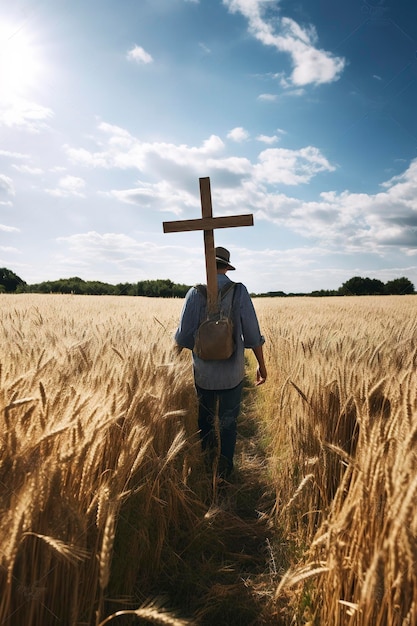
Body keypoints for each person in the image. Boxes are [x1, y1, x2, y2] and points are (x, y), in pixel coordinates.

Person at [174, 246, 267, 479]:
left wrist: (168, 368)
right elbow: (253, 333)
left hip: (203, 374)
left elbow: (183, 336)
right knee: (228, 423)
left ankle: (207, 468)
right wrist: (260, 364)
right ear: (227, 267)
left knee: (204, 422)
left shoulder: (194, 293)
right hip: (232, 374)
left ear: (207, 266)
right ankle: (225, 473)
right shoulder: (239, 291)